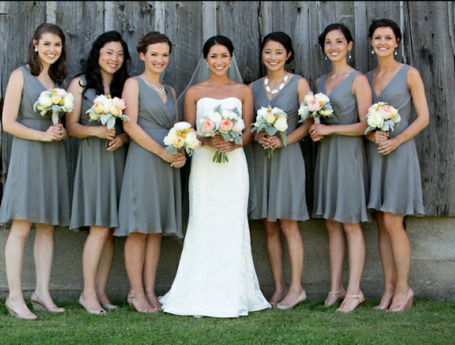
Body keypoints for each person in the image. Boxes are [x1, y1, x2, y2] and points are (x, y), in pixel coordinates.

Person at [159, 35, 272, 318]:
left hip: (234, 163)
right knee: (204, 221)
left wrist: (233, 143)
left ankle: (236, 291)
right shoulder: (195, 92)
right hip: (204, 164)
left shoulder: (243, 90)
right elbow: (188, 131)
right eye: (213, 56)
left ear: (231, 58)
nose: (219, 61)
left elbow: (248, 131)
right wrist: (208, 142)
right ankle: (196, 290)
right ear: (205, 59)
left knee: (232, 222)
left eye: (224, 56)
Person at [0, 23, 70, 320]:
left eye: (58, 45)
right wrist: (41, 136)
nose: (53, 50)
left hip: (52, 154)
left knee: (47, 226)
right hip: (29, 152)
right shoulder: (20, 75)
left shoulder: (57, 79)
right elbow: (8, 123)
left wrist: (60, 132)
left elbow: (58, 121)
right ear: (35, 44)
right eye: (47, 44)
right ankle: (14, 298)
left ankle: (41, 292)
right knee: (23, 227)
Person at [115, 31, 186, 313]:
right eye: (154, 54)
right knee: (139, 229)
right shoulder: (133, 84)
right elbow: (130, 126)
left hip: (167, 161)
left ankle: (149, 289)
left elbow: (178, 129)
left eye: (165, 54)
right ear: (143, 55)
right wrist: (160, 151)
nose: (160, 59)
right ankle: (135, 292)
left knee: (155, 230)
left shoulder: (170, 91)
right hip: (145, 158)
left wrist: (180, 154)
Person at [365, 18, 429, 312]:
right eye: (377, 37)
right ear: (371, 42)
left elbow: (423, 118)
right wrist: (372, 134)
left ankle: (404, 288)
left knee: (393, 221)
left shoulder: (409, 74)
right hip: (376, 154)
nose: (382, 42)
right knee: (381, 220)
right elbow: (363, 121)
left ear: (397, 42)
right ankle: (388, 289)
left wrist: (397, 140)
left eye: (388, 38)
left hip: (399, 153)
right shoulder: (366, 78)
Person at [66, 31, 131, 315]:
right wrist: (97, 131)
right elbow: (71, 127)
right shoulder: (79, 84)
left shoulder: (123, 87)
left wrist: (123, 138)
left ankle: (101, 290)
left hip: (117, 158)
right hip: (94, 160)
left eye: (119, 54)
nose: (114, 59)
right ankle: (87, 292)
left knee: (112, 228)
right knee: (99, 226)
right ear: (98, 53)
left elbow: (129, 127)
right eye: (109, 52)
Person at [310, 23, 372, 313]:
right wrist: (316, 130)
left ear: (349, 46)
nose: (333, 47)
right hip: (326, 155)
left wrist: (331, 131)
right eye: (328, 42)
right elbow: (317, 119)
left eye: (339, 41)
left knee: (350, 224)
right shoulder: (320, 81)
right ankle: (335, 288)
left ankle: (354, 290)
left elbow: (366, 125)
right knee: (331, 224)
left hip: (348, 155)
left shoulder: (358, 79)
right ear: (323, 47)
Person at [248, 32, 311, 309]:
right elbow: (247, 125)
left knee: (288, 224)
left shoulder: (299, 84)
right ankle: (279, 286)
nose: (272, 57)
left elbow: (309, 124)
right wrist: (257, 136)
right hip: (262, 159)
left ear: (288, 55)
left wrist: (284, 139)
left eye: (278, 52)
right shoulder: (252, 87)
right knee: (269, 225)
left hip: (288, 158)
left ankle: (297, 287)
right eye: (267, 52)